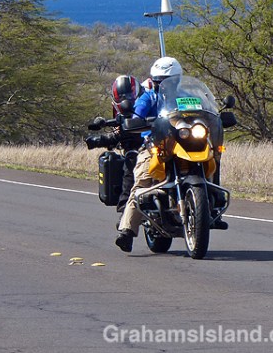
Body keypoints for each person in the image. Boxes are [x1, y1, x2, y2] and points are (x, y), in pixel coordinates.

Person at [114, 57, 228, 252]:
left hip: (185, 142)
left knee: (212, 158)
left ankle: (213, 206)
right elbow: (136, 116)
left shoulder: (190, 97)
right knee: (142, 181)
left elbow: (205, 111)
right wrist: (136, 122)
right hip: (156, 145)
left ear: (179, 79)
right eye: (159, 81)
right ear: (154, 81)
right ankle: (127, 230)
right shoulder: (148, 98)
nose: (164, 84)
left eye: (169, 80)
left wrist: (214, 116)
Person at [85, 74, 146, 212]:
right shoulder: (120, 113)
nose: (126, 99)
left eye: (129, 95)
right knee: (131, 162)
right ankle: (125, 210)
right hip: (136, 149)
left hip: (156, 144)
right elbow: (120, 134)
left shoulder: (149, 100)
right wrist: (102, 139)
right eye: (122, 96)